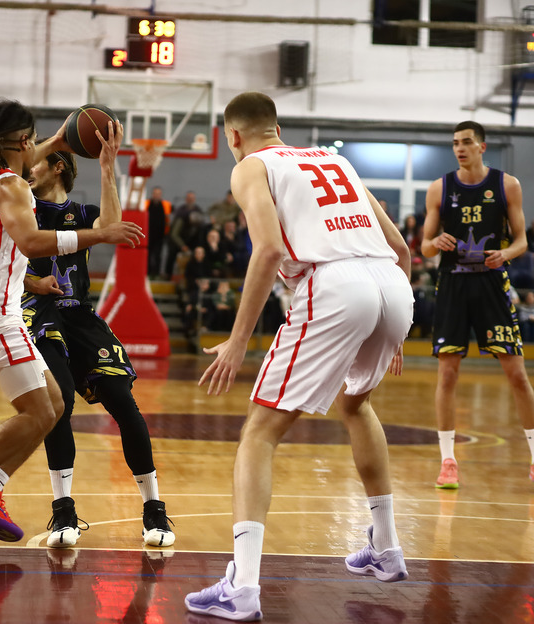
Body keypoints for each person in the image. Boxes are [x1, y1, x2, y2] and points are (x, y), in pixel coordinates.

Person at [185, 92, 413, 621]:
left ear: (233, 135)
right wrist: (393, 329)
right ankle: (387, 547)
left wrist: (239, 340)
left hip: (334, 285)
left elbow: (267, 250)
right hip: (391, 285)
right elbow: (401, 248)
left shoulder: (250, 167)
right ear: (278, 127)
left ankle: (242, 587)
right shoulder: (335, 159)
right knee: (357, 404)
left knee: (259, 432)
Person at [0, 98, 142, 548]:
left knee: (55, 403)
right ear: (23, 141)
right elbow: (30, 241)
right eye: (34, 139)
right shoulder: (13, 188)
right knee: (41, 412)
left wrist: (61, 139)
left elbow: (23, 166)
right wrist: (100, 234)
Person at [22, 125, 175, 549]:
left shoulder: (81, 212)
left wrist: (108, 167)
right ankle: (63, 509)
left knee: (124, 404)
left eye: (37, 164)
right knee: (60, 403)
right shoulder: (20, 207)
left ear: (58, 167)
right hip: (39, 314)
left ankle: (154, 508)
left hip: (80, 316)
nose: (28, 170)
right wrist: (33, 284)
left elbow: (110, 225)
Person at [420, 120, 534, 489]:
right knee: (447, 374)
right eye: (455, 143)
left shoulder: (507, 185)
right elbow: (424, 246)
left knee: (517, 374)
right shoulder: (439, 188)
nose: (459, 148)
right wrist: (436, 242)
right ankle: (448, 461)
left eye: (466, 142)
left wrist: (505, 254)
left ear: (482, 147)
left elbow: (521, 241)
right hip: (452, 285)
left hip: (492, 284)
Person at [145, 186, 171, 279]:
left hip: (160, 235)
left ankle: (156, 274)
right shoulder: (146, 204)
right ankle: (147, 273)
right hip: (147, 235)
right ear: (152, 194)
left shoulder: (166, 205)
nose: (156, 195)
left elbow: (168, 220)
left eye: (158, 194)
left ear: (161, 195)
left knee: (158, 255)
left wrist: (166, 233)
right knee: (147, 254)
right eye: (155, 193)